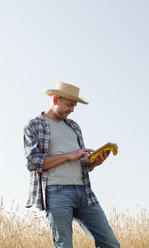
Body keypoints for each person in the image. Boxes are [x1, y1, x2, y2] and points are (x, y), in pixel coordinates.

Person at [23, 82, 120, 248]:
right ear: (55, 99)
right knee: (64, 245)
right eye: (69, 105)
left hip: (84, 191)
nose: (72, 110)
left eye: (74, 106)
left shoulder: (74, 127)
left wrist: (94, 163)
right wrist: (69, 155)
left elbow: (80, 163)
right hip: (56, 192)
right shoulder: (34, 125)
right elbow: (32, 162)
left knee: (110, 243)